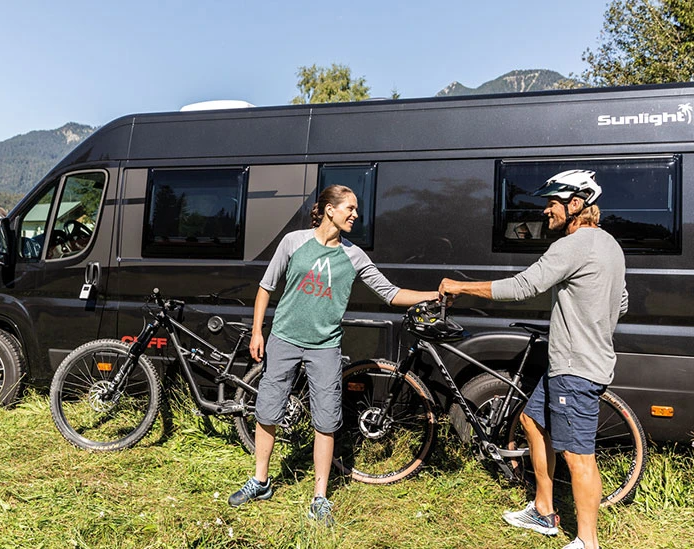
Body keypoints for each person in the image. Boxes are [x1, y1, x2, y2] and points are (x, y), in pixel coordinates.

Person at [228, 184, 439, 525]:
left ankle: (320, 498)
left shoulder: (354, 256)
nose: (356, 214)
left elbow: (390, 293)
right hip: (283, 339)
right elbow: (266, 287)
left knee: (325, 421)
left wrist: (434, 295)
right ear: (330, 209)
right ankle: (260, 481)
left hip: (325, 346)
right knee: (267, 411)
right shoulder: (293, 242)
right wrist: (257, 331)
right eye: (350, 208)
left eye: (356, 209)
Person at [439, 169, 627, 549]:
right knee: (531, 420)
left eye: (553, 203)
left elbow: (524, 286)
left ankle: (588, 542)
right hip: (572, 362)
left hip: (575, 367)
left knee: (578, 456)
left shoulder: (573, 245)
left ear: (576, 204)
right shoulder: (610, 245)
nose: (545, 211)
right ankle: (543, 510)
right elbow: (621, 303)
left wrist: (461, 286)